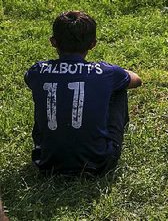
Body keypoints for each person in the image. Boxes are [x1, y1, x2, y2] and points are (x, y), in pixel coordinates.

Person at [24, 11, 142, 176]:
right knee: (119, 87)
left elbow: (30, 80)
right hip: (98, 162)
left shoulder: (38, 71)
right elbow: (136, 80)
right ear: (93, 44)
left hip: (45, 162)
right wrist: (115, 72)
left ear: (53, 42)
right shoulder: (106, 72)